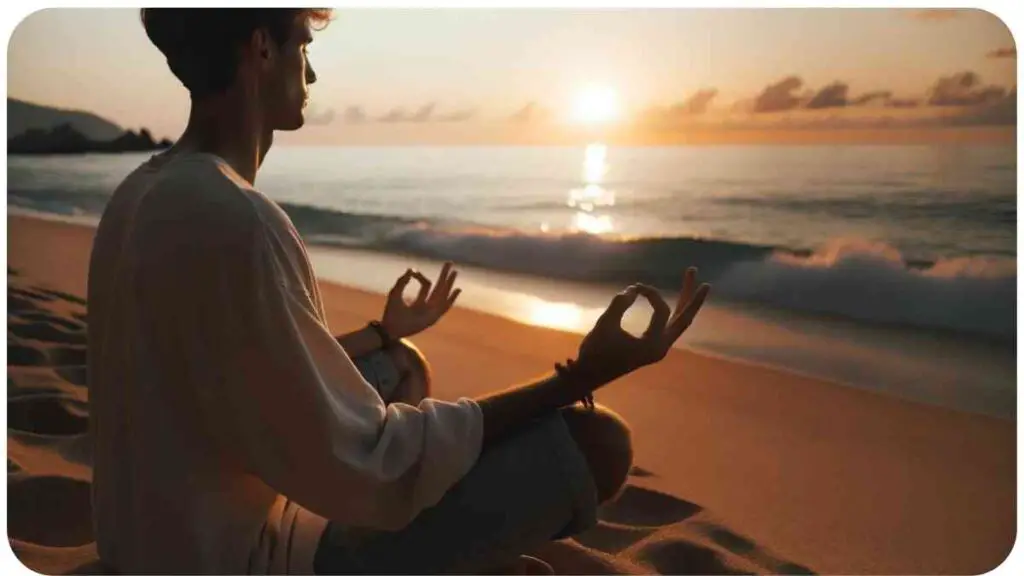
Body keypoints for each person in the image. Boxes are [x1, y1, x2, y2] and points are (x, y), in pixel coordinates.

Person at [86, 8, 711, 575]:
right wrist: (577, 378)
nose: (313, 70)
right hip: (243, 557)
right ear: (262, 49)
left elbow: (232, 366)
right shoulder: (237, 217)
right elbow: (375, 468)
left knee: (401, 365)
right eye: (303, 46)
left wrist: (384, 335)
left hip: (147, 536)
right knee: (600, 444)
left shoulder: (141, 193)